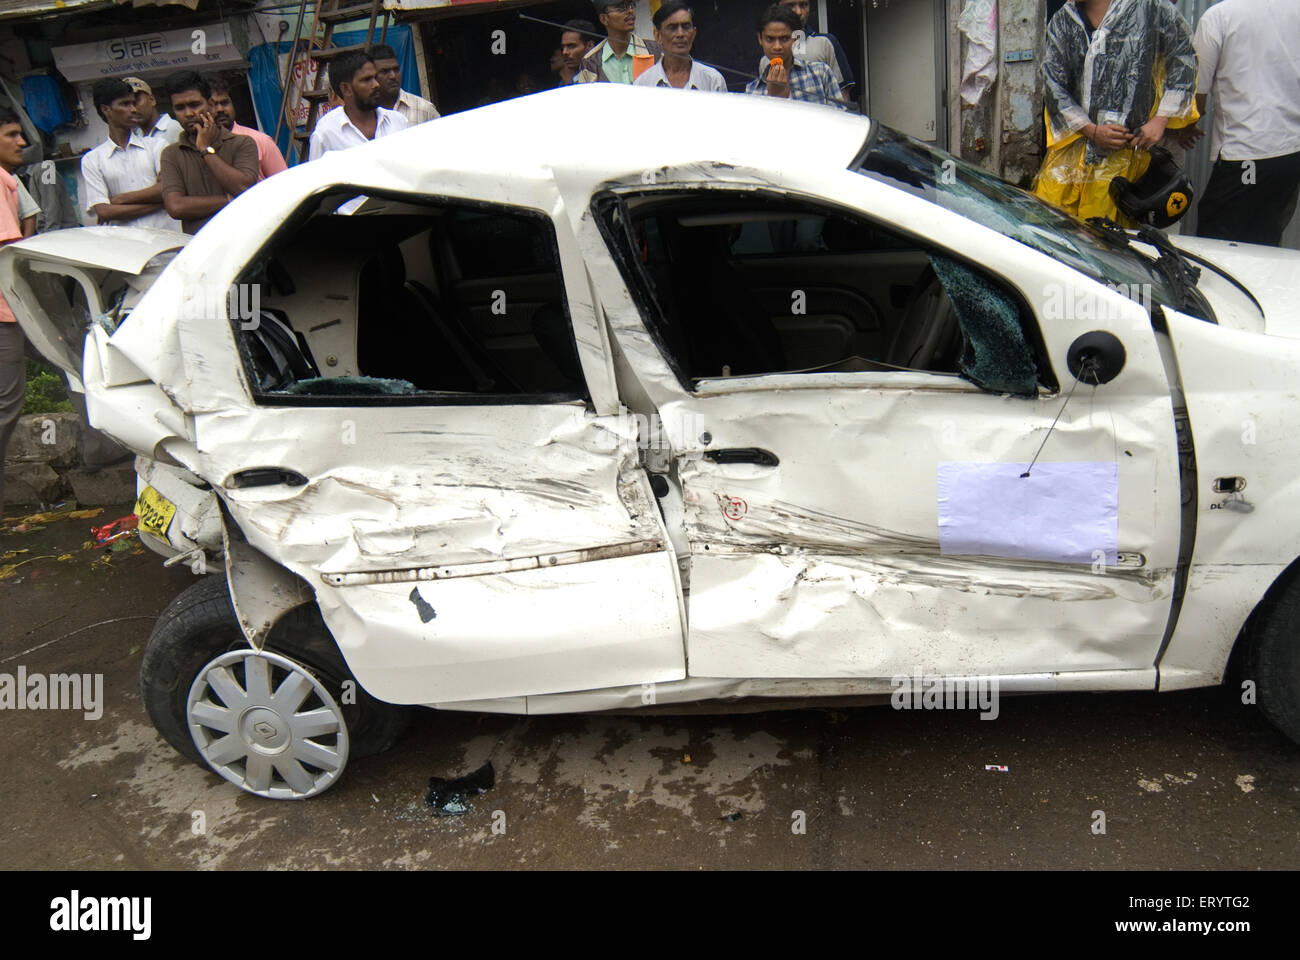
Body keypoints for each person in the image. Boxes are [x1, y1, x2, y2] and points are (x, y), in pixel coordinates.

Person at [1032, 0, 1199, 224]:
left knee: (1110, 237)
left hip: (1128, 159)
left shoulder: (1150, 8)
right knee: (1052, 229)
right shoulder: (1064, 19)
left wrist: (1160, 119)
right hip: (1070, 159)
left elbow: (1184, 59)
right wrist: (1090, 130)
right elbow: (1053, 84)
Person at [1191, 0, 1300, 246]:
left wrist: (1186, 127)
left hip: (1247, 155)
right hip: (1291, 153)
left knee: (1219, 238)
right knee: (1265, 237)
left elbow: (1197, 90)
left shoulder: (1220, 16)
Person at [158, 71, 259, 235]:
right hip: (200, 245)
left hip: (245, 239)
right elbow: (176, 207)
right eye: (180, 108)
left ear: (211, 105)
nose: (188, 113)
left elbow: (244, 188)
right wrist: (231, 199)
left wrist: (205, 149)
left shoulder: (242, 143)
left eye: (195, 105)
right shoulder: (171, 154)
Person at [0, 108, 37, 513]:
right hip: (5, 309)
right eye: (11, 134)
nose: (22, 141)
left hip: (11, 306)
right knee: (6, 406)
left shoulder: (8, 179)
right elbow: (8, 250)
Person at [80, 78, 177, 231]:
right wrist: (160, 203)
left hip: (167, 238)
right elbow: (104, 211)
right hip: (127, 242)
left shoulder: (157, 146)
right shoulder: (92, 160)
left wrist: (120, 199)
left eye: (133, 103)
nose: (133, 109)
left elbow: (168, 188)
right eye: (125, 104)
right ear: (106, 109)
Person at [308, 51, 409, 161]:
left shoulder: (398, 121)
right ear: (346, 89)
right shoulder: (326, 134)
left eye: (375, 77)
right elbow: (318, 172)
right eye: (367, 80)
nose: (376, 84)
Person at [745, 5, 845, 107]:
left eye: (784, 39)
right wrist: (775, 98)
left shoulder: (820, 74)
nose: (777, 46)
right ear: (760, 39)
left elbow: (840, 115)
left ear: (796, 38)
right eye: (770, 39)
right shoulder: (752, 92)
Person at [207, 77, 287, 181]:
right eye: (213, 105)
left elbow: (284, 183)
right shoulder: (199, 146)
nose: (220, 109)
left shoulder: (261, 141)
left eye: (224, 102)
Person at [633, 3, 726, 91]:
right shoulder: (643, 83)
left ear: (694, 33)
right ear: (658, 36)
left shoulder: (713, 81)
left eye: (686, 27)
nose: (680, 34)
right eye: (672, 28)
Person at [777, 0, 855, 97]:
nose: (798, 12)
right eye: (790, 6)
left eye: (804, 5)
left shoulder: (825, 43)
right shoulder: (770, 51)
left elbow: (842, 95)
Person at [574, 1, 663, 84]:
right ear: (604, 19)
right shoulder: (590, 62)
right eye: (621, 8)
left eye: (631, 5)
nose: (630, 11)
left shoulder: (656, 51)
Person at [371, 44, 440, 124]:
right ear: (372, 76)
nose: (393, 76)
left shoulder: (425, 110)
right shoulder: (367, 114)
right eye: (385, 71)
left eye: (396, 69)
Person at [124, 77, 182, 146]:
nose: (132, 108)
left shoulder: (173, 128)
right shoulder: (136, 135)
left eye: (136, 101)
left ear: (152, 100)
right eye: (127, 104)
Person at [559, 20, 598, 85]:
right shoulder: (566, 83)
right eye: (563, 47)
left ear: (590, 45)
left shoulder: (604, 75)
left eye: (571, 46)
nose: (564, 52)